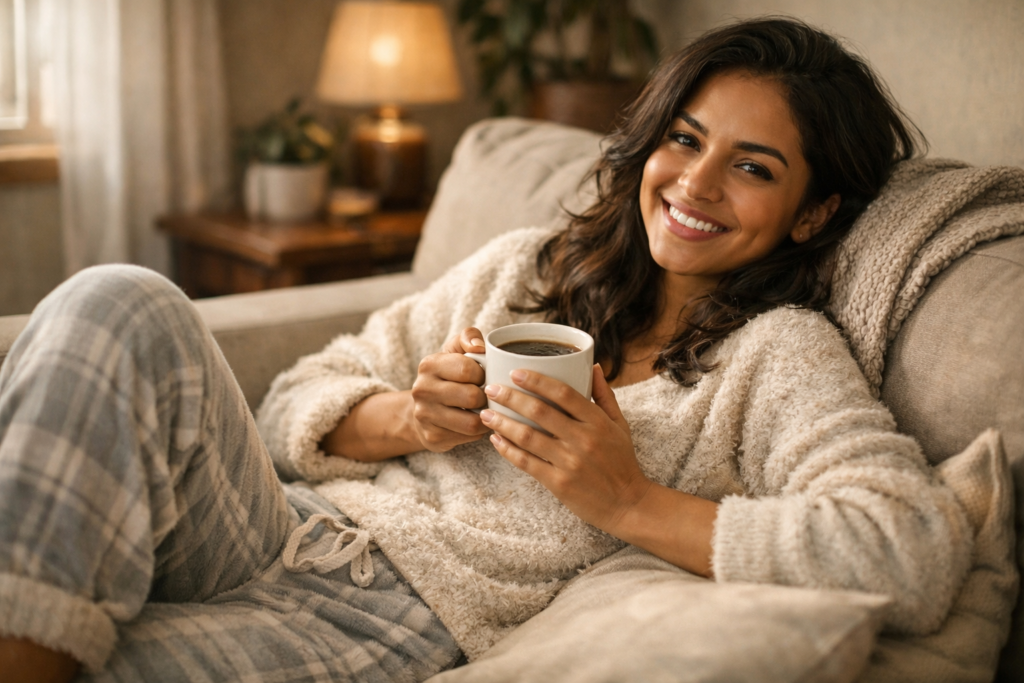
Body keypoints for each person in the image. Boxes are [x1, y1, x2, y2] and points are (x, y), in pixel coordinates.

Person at [0, 17, 972, 683]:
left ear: (812, 211)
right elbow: (295, 394)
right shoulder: (529, 271)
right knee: (117, 298)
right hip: (274, 523)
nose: (697, 182)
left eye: (752, 167)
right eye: (685, 138)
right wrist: (406, 417)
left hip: (387, 614)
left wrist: (630, 501)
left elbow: (915, 547)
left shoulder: (776, 356)